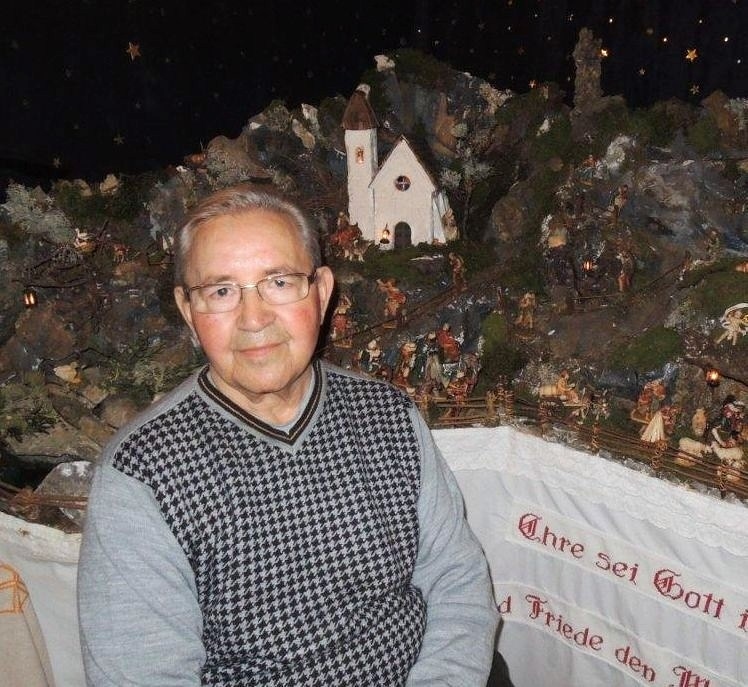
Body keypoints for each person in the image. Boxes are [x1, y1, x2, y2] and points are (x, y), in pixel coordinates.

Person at [77, 185, 499, 686]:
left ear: (321, 292)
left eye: (278, 282)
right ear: (188, 310)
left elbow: (457, 579)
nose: (253, 319)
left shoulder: (388, 414)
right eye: (221, 291)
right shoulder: (142, 472)